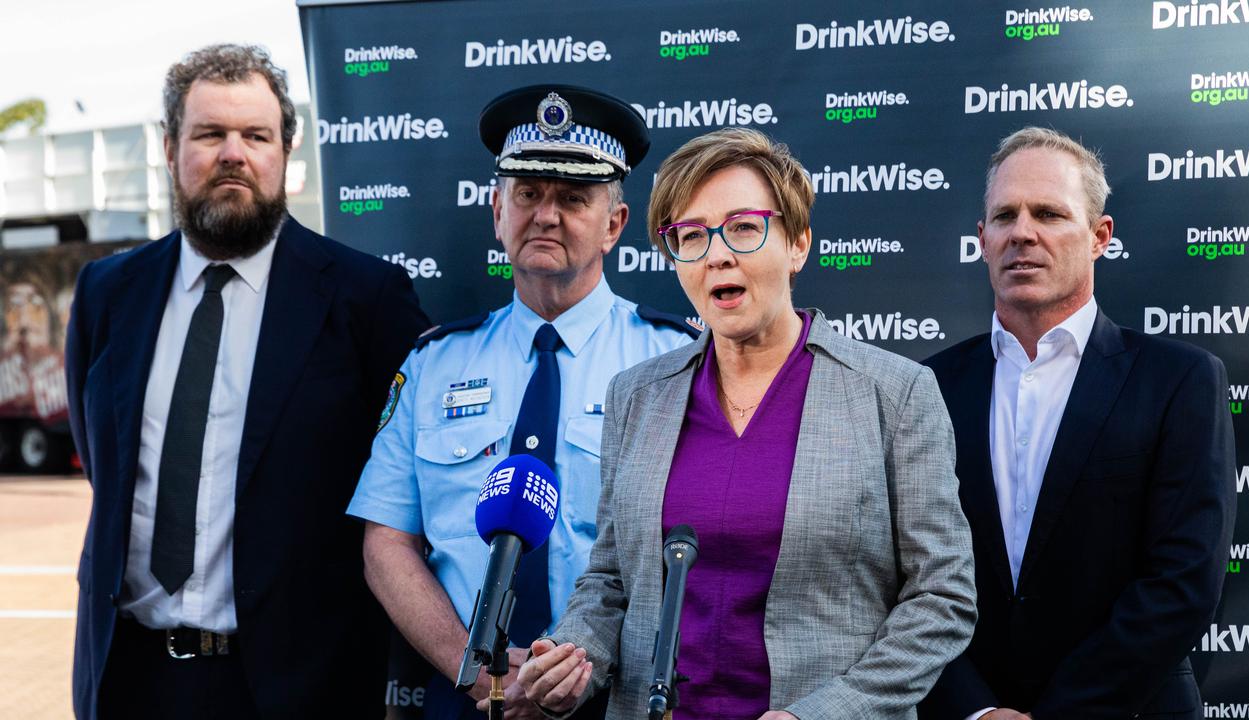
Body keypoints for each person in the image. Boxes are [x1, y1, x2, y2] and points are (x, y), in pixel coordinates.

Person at [520, 127, 977, 719]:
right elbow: (610, 580)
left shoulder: (894, 394)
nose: (717, 254)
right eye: (690, 236)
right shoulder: (636, 396)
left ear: (798, 244)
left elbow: (942, 598)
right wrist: (575, 655)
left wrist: (821, 714)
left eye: (742, 227)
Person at [65, 44, 429, 719]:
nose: (233, 153)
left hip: (295, 688)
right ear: (172, 148)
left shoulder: (365, 298)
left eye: (255, 135)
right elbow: (105, 467)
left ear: (285, 154)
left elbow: (403, 492)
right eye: (209, 134)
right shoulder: (106, 293)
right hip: (127, 678)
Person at [348, 84, 697, 720]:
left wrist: (583, 665)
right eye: (528, 193)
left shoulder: (676, 361)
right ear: (497, 210)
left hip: (624, 697)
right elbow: (386, 542)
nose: (546, 214)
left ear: (614, 224)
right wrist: (471, 667)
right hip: (467, 700)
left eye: (572, 197)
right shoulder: (433, 364)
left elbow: (700, 544)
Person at [918, 127, 1236, 720]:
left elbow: (1184, 581)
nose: (1023, 233)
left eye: (1049, 213)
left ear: (1099, 237)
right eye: (1004, 216)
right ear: (981, 240)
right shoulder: (925, 388)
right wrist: (978, 711)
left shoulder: (1179, 380)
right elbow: (905, 577)